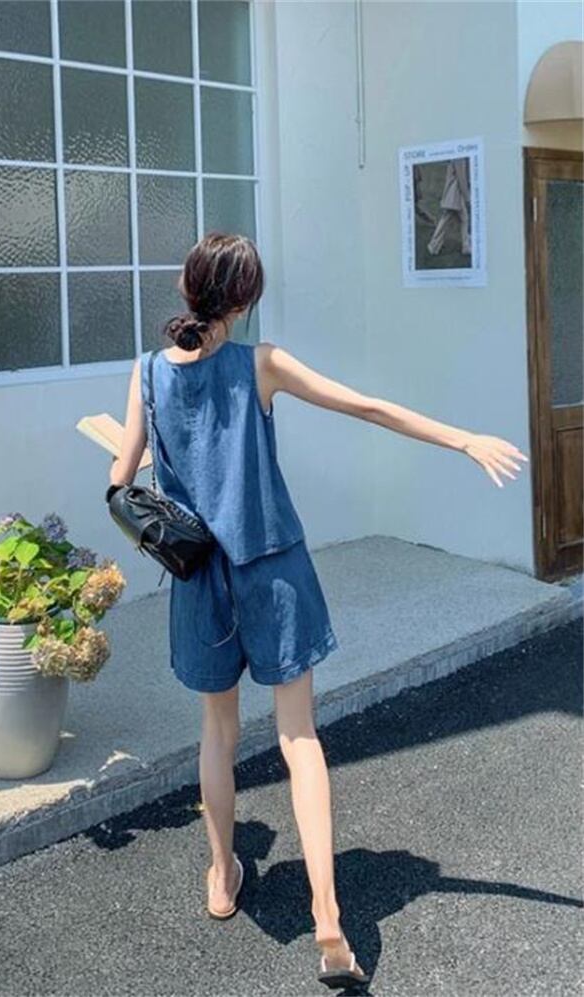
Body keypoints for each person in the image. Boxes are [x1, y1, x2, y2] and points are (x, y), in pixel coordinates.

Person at [107, 232, 527, 989]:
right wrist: (462, 439)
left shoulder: (145, 374)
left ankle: (222, 876)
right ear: (244, 300)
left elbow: (120, 479)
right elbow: (364, 406)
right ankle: (328, 917)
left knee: (217, 733)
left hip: (200, 582)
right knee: (299, 738)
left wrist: (145, 460)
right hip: (274, 572)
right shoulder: (261, 363)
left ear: (188, 288)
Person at [426, 157, 472, 257]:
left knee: (463, 218)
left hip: (455, 193)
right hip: (455, 192)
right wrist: (467, 196)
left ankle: (465, 246)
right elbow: (461, 178)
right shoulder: (459, 158)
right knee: (448, 219)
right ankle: (433, 245)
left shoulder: (457, 158)